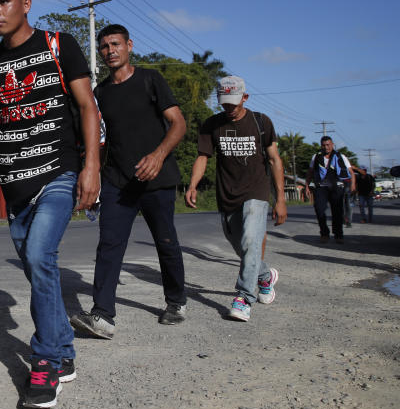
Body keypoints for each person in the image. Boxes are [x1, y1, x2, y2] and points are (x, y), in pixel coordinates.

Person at [0, 0, 101, 409]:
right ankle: (66, 350)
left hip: (58, 172)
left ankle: (45, 362)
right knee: (41, 271)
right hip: (15, 184)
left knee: (40, 257)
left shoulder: (58, 45)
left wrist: (91, 166)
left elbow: (87, 106)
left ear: (26, 4)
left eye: (3, 2)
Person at [71, 24, 188, 340]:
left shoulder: (151, 79)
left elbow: (178, 123)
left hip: (157, 178)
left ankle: (176, 301)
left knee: (166, 242)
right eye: (104, 46)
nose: (110, 51)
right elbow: (97, 140)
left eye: (115, 44)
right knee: (109, 245)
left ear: (129, 46)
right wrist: (90, 174)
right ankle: (103, 316)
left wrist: (159, 154)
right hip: (117, 181)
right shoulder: (100, 94)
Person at [185, 76, 286, 322]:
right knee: (241, 246)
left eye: (233, 103)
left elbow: (274, 159)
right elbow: (202, 156)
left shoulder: (261, 122)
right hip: (227, 194)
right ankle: (264, 277)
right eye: (224, 103)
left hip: (257, 192)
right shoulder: (212, 124)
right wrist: (193, 185)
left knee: (251, 241)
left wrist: (280, 198)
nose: (228, 108)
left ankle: (243, 298)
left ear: (245, 97)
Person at [304, 136, 354, 244]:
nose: (326, 147)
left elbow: (351, 172)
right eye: (324, 145)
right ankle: (324, 233)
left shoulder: (341, 156)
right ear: (321, 145)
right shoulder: (316, 156)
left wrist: (352, 185)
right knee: (319, 209)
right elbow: (310, 171)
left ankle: (338, 234)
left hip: (336, 186)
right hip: (321, 187)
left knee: (337, 211)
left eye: (328, 145)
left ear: (332, 145)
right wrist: (307, 185)